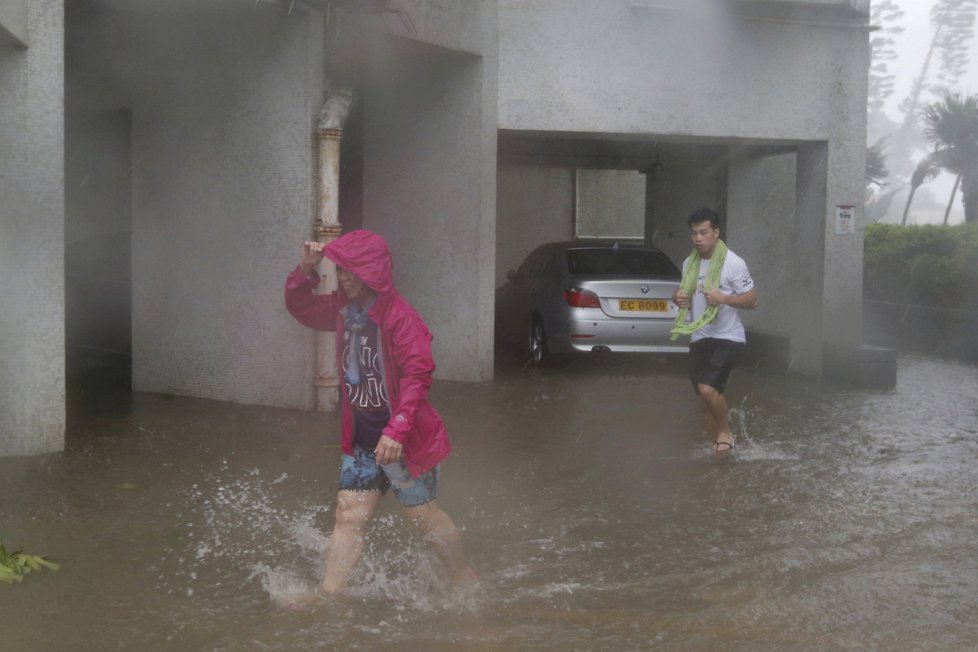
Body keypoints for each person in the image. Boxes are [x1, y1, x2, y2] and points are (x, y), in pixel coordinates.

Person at [284, 229, 477, 599]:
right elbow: (302, 309)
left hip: (403, 439)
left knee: (424, 518)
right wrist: (304, 272)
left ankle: (461, 574)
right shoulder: (344, 311)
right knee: (348, 514)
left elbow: (418, 375)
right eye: (340, 270)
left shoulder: (401, 317)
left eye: (351, 271)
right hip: (361, 439)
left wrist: (398, 429)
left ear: (373, 272)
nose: (343, 278)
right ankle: (329, 595)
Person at [670, 208, 758, 455]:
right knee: (705, 400)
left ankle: (725, 431)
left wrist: (723, 298)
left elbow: (752, 300)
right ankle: (721, 455)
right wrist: (677, 297)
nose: (698, 238)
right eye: (694, 233)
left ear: (716, 233)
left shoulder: (733, 263)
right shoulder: (689, 263)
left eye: (704, 233)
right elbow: (683, 294)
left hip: (727, 337)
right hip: (700, 336)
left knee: (708, 389)